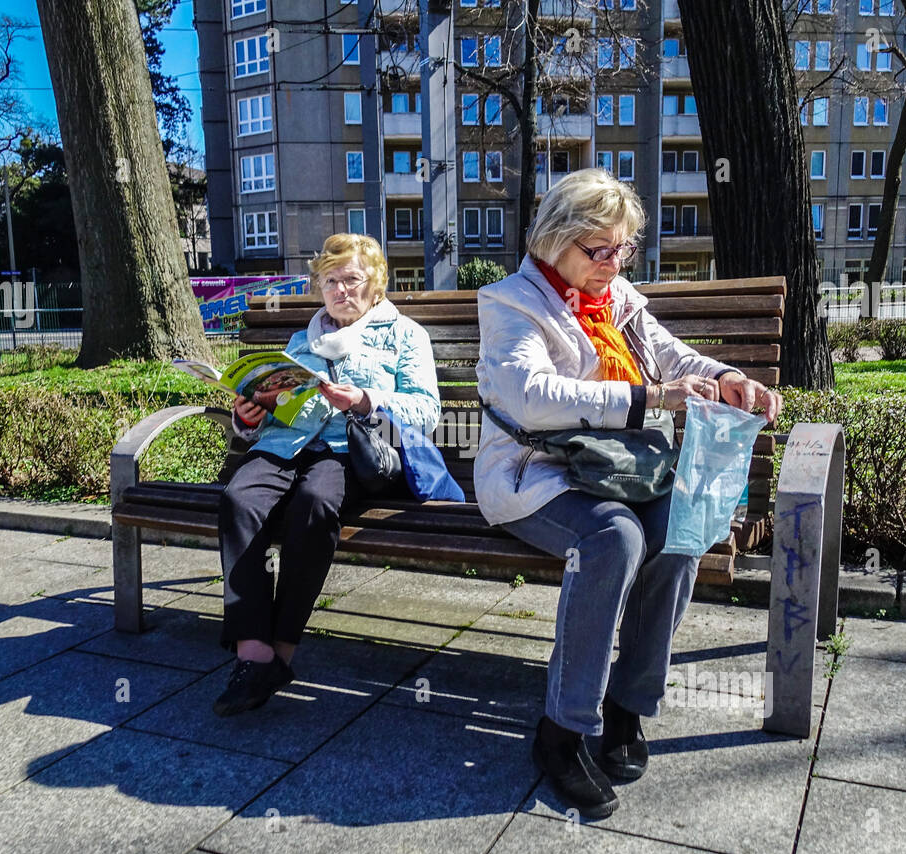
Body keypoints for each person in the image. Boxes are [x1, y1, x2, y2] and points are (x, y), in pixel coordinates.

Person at [474, 168, 782, 818]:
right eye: (600, 249)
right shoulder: (511, 303)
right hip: (537, 472)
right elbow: (530, 394)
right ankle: (562, 732)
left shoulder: (616, 296)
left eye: (623, 248)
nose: (614, 262)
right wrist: (647, 400)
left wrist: (728, 377)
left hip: (620, 467)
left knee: (681, 530)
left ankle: (627, 707)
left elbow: (673, 357)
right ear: (556, 240)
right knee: (614, 537)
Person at [214, 234, 441, 716]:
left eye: (352, 280)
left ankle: (283, 648)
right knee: (238, 498)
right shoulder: (303, 340)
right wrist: (250, 414)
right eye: (331, 281)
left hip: (348, 453)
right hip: (286, 445)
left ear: (375, 284)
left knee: (314, 505)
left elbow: (426, 412)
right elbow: (282, 409)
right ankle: (254, 653)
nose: (341, 290)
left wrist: (364, 400)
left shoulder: (405, 335)